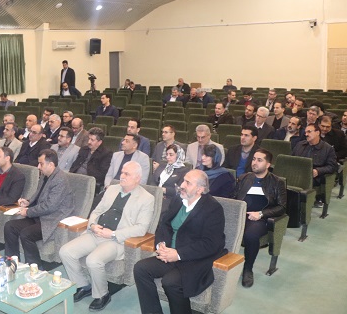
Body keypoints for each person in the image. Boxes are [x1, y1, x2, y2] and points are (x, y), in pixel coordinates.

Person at [60, 161, 155, 311]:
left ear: (137, 178)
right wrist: (93, 225)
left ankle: (102, 295)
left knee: (93, 260)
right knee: (65, 251)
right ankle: (83, 285)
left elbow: (141, 228)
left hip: (116, 240)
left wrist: (113, 233)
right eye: (122, 172)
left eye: (127, 174)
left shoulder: (146, 198)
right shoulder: (112, 189)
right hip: (96, 233)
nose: (122, 176)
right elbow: (96, 211)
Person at [134, 169, 226, 314]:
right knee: (140, 268)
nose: (182, 185)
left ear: (200, 189)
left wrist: (178, 254)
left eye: (188, 183)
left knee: (170, 282)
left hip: (194, 259)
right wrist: (161, 245)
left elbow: (210, 243)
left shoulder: (213, 209)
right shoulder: (178, 200)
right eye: (183, 180)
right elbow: (164, 224)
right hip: (169, 253)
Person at [4, 149, 74, 268]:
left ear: (50, 164)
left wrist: (28, 211)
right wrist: (28, 202)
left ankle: (35, 268)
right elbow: (39, 195)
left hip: (53, 218)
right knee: (10, 226)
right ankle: (12, 263)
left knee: (26, 234)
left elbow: (50, 206)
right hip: (40, 215)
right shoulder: (45, 175)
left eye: (41, 164)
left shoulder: (60, 179)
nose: (38, 167)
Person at [233, 148, 286, 288]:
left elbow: (282, 207)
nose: (254, 162)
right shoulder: (244, 178)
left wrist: (261, 214)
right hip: (240, 215)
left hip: (260, 219)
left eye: (259, 160)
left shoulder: (277, 182)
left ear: (268, 164)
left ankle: (248, 269)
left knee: (250, 235)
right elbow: (233, 198)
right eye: (254, 159)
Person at [293, 123, 338, 208]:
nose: (306, 134)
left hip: (314, 176)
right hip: (297, 172)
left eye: (309, 132)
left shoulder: (328, 149)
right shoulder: (300, 145)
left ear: (317, 132)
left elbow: (332, 166)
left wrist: (318, 171)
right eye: (305, 132)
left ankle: (301, 205)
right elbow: (291, 159)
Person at [70, 127, 113, 192]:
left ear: (99, 142)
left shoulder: (106, 154)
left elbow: (102, 175)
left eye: (92, 140)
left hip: (89, 181)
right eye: (89, 139)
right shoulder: (84, 149)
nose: (89, 142)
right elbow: (74, 166)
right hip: (75, 178)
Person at [149, 144, 189, 213]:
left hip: (170, 199)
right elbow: (153, 181)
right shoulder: (162, 165)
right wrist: (156, 192)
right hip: (155, 195)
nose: (167, 157)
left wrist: (164, 190)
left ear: (178, 155)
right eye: (167, 154)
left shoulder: (184, 171)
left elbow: (180, 190)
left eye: (171, 155)